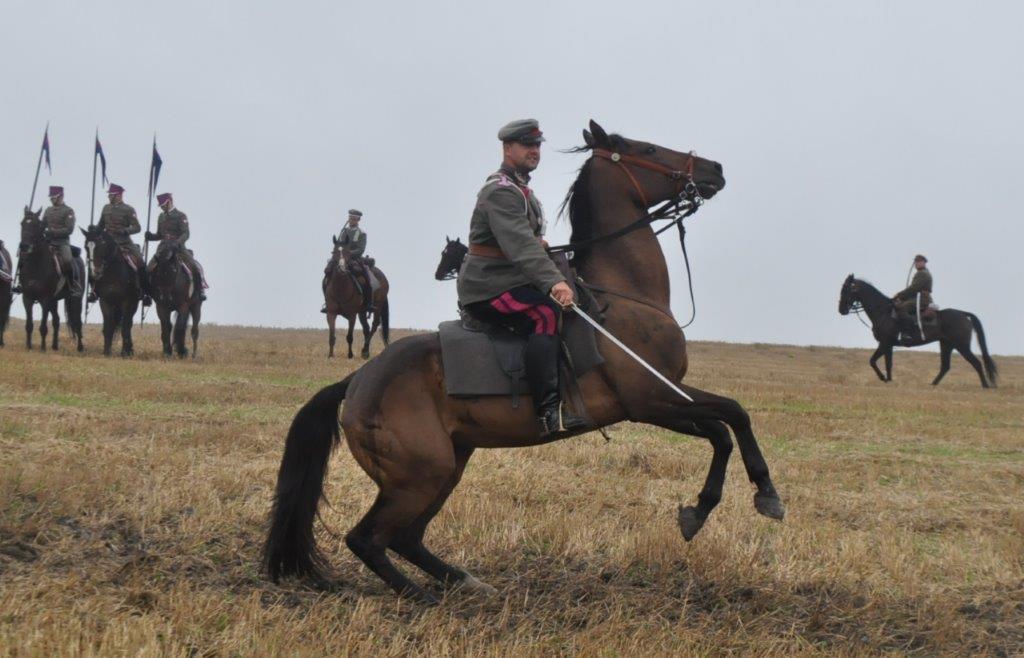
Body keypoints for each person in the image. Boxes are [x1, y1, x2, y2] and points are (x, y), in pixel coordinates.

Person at [456, 119, 582, 437]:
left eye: (538, 145)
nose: (534, 151)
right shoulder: (501, 191)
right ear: (508, 148)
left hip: (508, 277)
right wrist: (555, 282)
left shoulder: (522, 190)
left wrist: (539, 245)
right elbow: (521, 246)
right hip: (488, 285)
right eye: (528, 145)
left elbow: (524, 239)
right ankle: (546, 413)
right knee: (545, 312)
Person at [93, 183, 150, 305]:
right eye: (109, 195)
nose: (109, 197)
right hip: (107, 244)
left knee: (140, 262)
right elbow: (100, 225)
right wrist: (94, 230)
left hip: (124, 242)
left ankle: (145, 292)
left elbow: (137, 227)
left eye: (111, 195)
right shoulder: (106, 208)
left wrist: (125, 230)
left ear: (119, 195)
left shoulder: (128, 209)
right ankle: (94, 291)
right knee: (94, 262)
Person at [145, 193, 208, 300]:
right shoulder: (161, 216)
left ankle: (200, 289)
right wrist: (151, 236)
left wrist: (177, 242)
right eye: (160, 205)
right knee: (148, 269)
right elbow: (160, 234)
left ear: (169, 201)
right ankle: (147, 293)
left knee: (195, 266)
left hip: (178, 247)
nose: (161, 207)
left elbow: (186, 233)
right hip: (163, 248)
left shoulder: (181, 215)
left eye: (163, 204)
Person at [322, 209, 372, 312]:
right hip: (340, 257)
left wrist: (348, 254)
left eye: (354, 219)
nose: (351, 220)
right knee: (327, 272)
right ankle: (328, 303)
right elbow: (339, 244)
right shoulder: (344, 231)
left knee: (366, 277)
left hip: (354, 259)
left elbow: (360, 249)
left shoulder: (362, 233)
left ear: (358, 220)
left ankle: (368, 303)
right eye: (350, 218)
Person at [892, 254, 933, 338]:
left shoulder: (923, 273)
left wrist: (899, 295)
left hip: (921, 299)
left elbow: (913, 288)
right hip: (917, 297)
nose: (916, 263)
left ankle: (907, 332)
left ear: (924, 263)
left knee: (902, 308)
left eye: (919, 262)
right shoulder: (921, 273)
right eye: (916, 262)